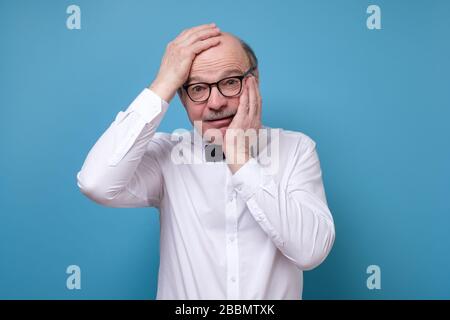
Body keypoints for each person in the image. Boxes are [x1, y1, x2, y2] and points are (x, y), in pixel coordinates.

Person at [76, 23, 335, 299]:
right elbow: (95, 183)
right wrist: (162, 84)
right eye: (198, 89)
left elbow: (311, 251)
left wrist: (239, 157)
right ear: (181, 97)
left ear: (254, 80)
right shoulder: (168, 155)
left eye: (230, 82)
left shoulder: (296, 149)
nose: (215, 103)